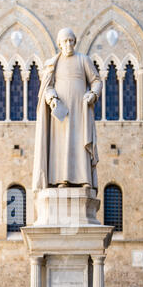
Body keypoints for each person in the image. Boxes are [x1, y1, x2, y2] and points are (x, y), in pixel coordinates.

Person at [32, 27, 102, 192]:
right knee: (61, 144)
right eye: (65, 41)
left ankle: (84, 178)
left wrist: (93, 94)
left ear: (75, 42)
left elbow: (96, 80)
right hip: (61, 114)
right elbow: (47, 87)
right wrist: (52, 99)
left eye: (71, 40)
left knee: (79, 142)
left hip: (80, 110)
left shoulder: (83, 60)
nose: (68, 44)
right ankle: (60, 179)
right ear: (59, 44)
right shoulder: (53, 63)